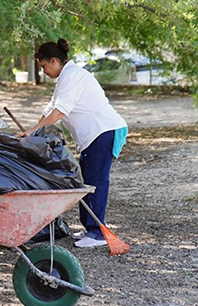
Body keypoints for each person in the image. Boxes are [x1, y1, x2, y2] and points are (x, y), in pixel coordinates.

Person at [22, 39, 128, 248]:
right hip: (92, 136)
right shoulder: (65, 78)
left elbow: (60, 111)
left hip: (103, 131)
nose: (43, 71)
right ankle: (90, 227)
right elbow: (49, 109)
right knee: (85, 180)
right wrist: (31, 130)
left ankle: (97, 233)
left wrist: (33, 131)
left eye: (43, 66)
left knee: (96, 181)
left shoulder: (73, 76)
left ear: (53, 60)